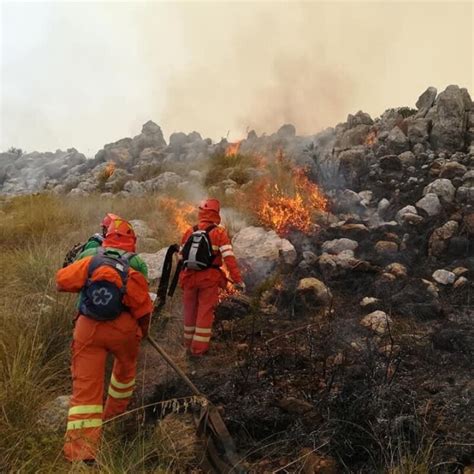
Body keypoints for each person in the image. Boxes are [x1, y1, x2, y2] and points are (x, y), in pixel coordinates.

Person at [56, 219, 153, 463]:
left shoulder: (91, 258)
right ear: (132, 242)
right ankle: (113, 417)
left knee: (85, 391)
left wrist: (87, 282)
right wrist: (144, 332)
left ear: (106, 237)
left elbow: (61, 281)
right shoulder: (135, 266)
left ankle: (81, 454)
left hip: (88, 328)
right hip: (124, 330)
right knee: (125, 371)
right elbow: (143, 309)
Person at [179, 198, 244, 356]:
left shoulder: (190, 230)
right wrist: (237, 280)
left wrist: (183, 279)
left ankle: (188, 346)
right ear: (216, 214)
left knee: (189, 313)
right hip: (208, 279)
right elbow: (229, 259)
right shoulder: (219, 232)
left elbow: (181, 258)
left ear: (201, 212)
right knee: (204, 313)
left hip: (188, 278)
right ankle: (199, 350)